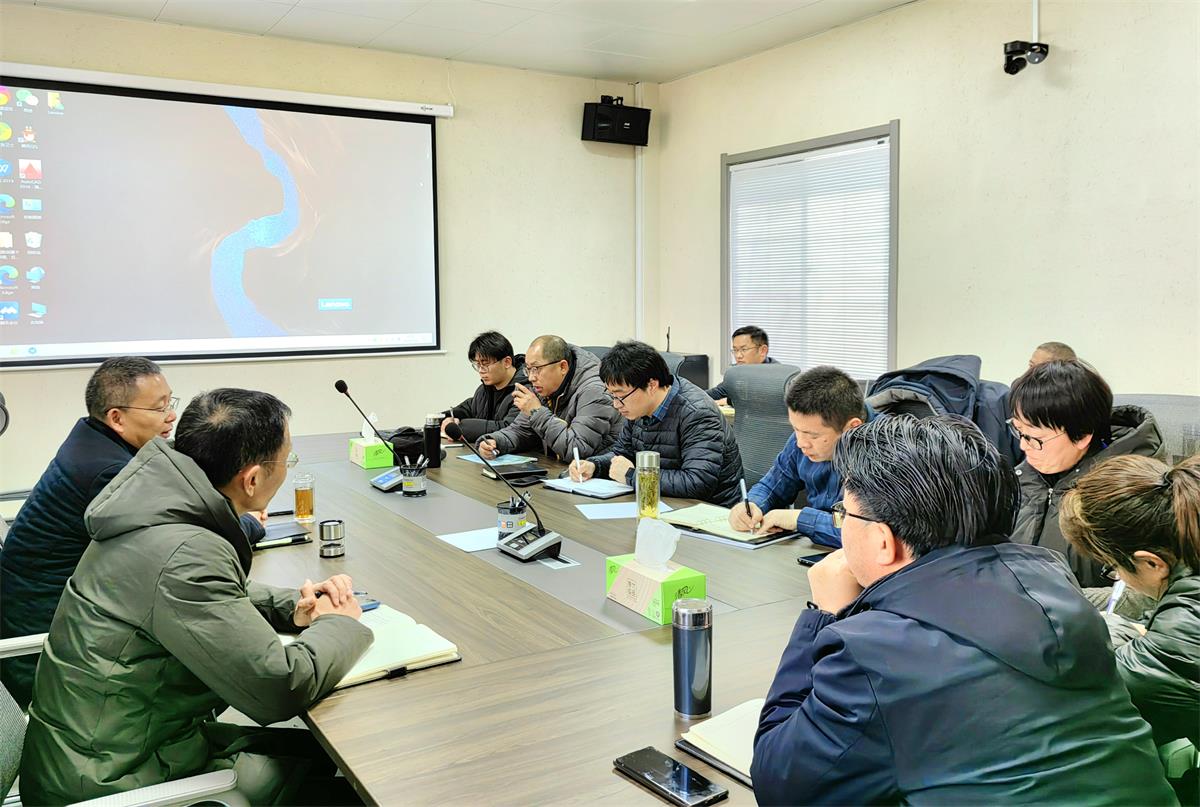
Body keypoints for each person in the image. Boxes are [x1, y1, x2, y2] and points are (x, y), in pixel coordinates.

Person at [750, 415, 1176, 805]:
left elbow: (780, 785)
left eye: (844, 514)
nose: (842, 525)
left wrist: (824, 616)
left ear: (883, 541)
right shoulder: (1060, 592)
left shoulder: (873, 652)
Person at [20, 389, 373, 805]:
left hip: (102, 748)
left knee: (316, 755)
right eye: (287, 460)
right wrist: (339, 624)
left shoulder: (154, 506)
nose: (287, 468)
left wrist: (292, 610)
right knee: (354, 780)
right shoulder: (186, 552)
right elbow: (278, 687)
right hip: (112, 781)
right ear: (252, 479)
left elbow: (206, 592)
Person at [0, 357, 264, 708]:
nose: (171, 416)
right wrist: (249, 523)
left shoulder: (92, 441)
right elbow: (178, 535)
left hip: (66, 619)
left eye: (170, 402)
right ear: (117, 418)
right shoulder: (108, 473)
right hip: (51, 653)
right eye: (159, 408)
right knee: (221, 657)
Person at [1060, 453, 1200, 748]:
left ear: (1152, 563)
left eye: (1113, 567)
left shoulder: (1177, 644)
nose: (1118, 577)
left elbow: (1091, 700)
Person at [1008, 359, 1164, 589]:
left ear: (1082, 436)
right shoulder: (1023, 477)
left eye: (1035, 438)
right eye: (1018, 431)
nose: (1023, 446)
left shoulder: (1132, 497)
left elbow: (1135, 595)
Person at [571, 340, 744, 506]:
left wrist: (633, 475)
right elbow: (622, 454)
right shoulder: (638, 408)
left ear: (652, 385)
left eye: (620, 396)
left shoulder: (697, 413)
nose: (616, 404)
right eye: (612, 395)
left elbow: (698, 482)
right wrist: (595, 465)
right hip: (659, 501)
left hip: (709, 511)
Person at [727, 366, 872, 546]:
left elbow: (865, 532)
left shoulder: (885, 452)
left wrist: (799, 519)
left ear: (852, 428)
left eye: (813, 436)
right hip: (815, 549)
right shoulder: (801, 440)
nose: (801, 443)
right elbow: (772, 486)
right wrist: (752, 506)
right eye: (796, 429)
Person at [478, 335, 622, 462]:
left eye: (536, 368)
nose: (531, 377)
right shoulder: (543, 386)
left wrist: (536, 412)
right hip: (560, 470)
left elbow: (577, 449)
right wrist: (495, 441)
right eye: (528, 369)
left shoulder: (594, 391)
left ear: (563, 367)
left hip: (598, 475)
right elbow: (521, 430)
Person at [440, 330, 528, 444]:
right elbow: (468, 408)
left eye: (485, 364)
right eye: (478, 364)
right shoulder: (484, 390)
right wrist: (446, 419)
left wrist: (460, 427)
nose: (481, 370)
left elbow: (509, 428)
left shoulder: (524, 391)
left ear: (507, 362)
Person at [707, 325, 776, 403]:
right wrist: (696, 395)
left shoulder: (776, 376)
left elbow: (763, 400)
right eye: (735, 350)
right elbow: (718, 392)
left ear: (763, 351)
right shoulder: (737, 372)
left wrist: (728, 401)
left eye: (744, 349)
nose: (738, 356)